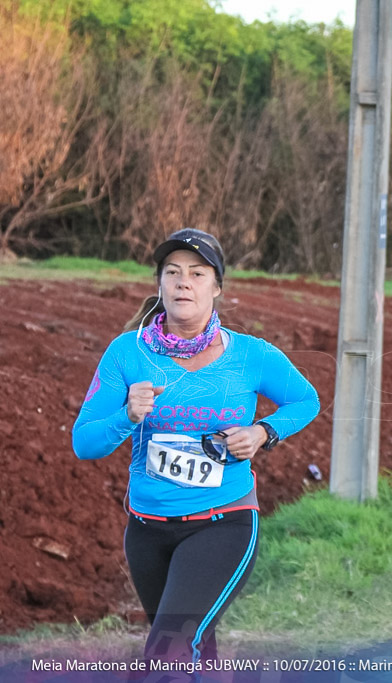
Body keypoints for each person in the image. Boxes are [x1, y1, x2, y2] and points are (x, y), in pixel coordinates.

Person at [72, 228, 320, 671]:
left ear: (216, 287)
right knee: (193, 648)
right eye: (172, 272)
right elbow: (84, 442)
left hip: (222, 524)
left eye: (197, 273)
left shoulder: (249, 355)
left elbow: (306, 400)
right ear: (159, 285)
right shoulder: (126, 354)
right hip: (147, 531)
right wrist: (125, 417)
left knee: (166, 651)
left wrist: (263, 431)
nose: (183, 282)